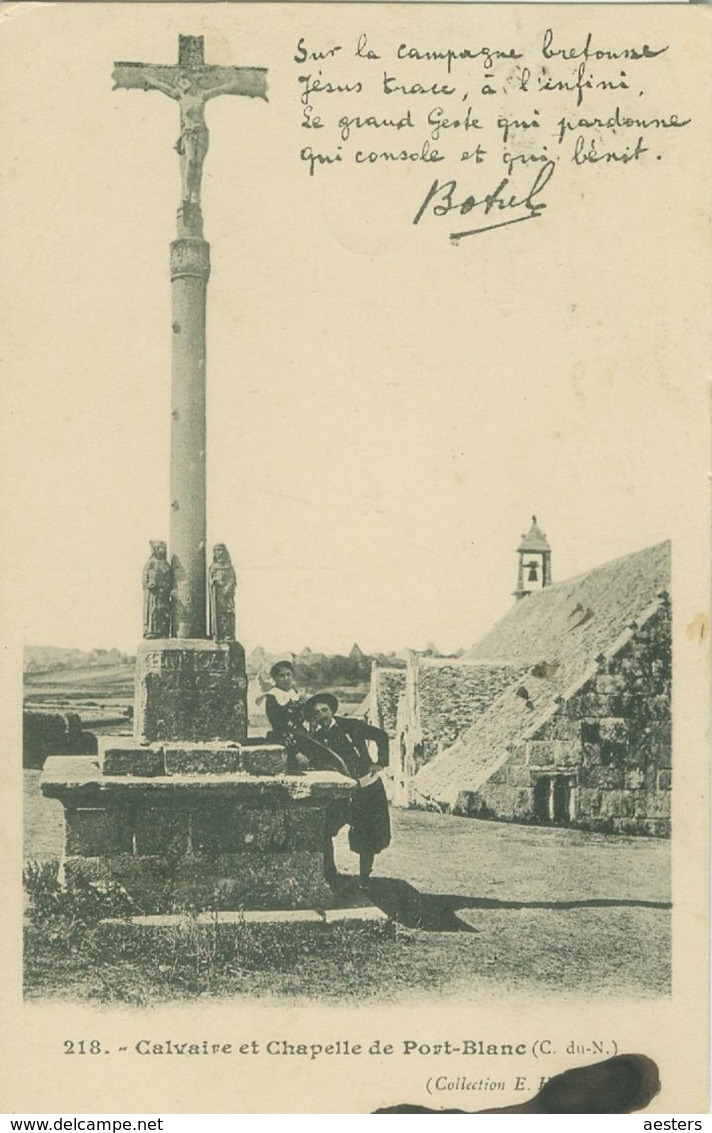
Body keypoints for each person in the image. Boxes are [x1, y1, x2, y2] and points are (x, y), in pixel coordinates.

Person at [303, 693, 390, 888]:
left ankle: (364, 879)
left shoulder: (351, 726)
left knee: (368, 833)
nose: (322, 715)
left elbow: (381, 736)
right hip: (341, 792)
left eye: (324, 710)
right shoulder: (316, 739)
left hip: (368, 787)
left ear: (331, 710)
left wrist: (380, 763)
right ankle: (330, 874)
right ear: (313, 718)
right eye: (316, 713)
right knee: (325, 828)